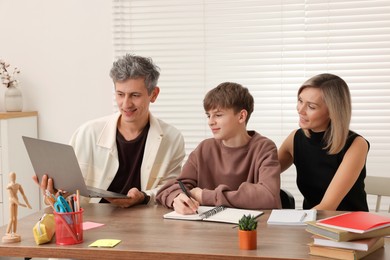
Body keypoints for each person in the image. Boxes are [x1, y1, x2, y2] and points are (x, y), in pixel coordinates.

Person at [35, 54, 185, 208]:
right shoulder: (87, 133)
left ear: (153, 94)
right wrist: (53, 195)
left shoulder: (172, 138)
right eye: (120, 94)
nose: (126, 104)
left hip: (145, 223)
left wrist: (144, 196)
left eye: (135, 95)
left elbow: (171, 190)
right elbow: (68, 196)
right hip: (92, 222)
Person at [156, 82, 281, 214]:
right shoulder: (205, 148)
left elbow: (268, 196)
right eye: (208, 115)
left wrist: (204, 196)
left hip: (250, 229)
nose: (210, 121)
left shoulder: (264, 148)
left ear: (241, 116)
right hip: (209, 229)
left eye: (218, 115)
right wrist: (177, 198)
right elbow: (170, 189)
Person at [278, 73, 369, 211]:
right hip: (311, 223)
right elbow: (263, 174)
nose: (300, 110)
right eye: (300, 101)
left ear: (333, 111)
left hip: (349, 226)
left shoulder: (356, 144)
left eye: (311, 107)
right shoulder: (295, 138)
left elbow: (327, 207)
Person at [2, 172, 32, 243]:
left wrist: (27, 204)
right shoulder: (9, 186)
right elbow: (12, 197)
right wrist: (20, 204)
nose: (13, 177)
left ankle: (14, 232)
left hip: (16, 201)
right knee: (11, 218)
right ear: (10, 177)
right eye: (12, 176)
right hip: (12, 202)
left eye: (14, 176)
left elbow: (23, 195)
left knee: (15, 218)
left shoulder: (18, 185)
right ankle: (7, 232)